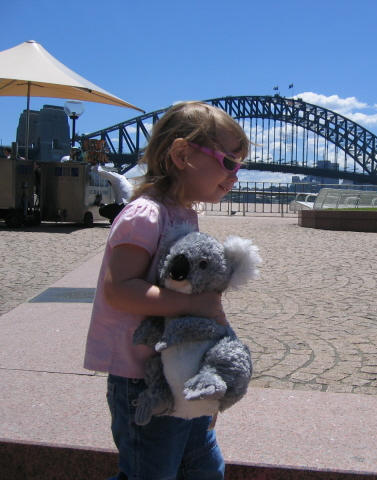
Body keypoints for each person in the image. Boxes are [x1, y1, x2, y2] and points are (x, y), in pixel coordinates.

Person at [83, 101, 249, 480]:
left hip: (182, 372)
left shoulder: (185, 213)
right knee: (150, 471)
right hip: (143, 378)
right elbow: (120, 290)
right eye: (228, 162)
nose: (235, 175)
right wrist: (197, 305)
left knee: (205, 467)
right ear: (181, 154)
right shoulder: (145, 214)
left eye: (239, 166)